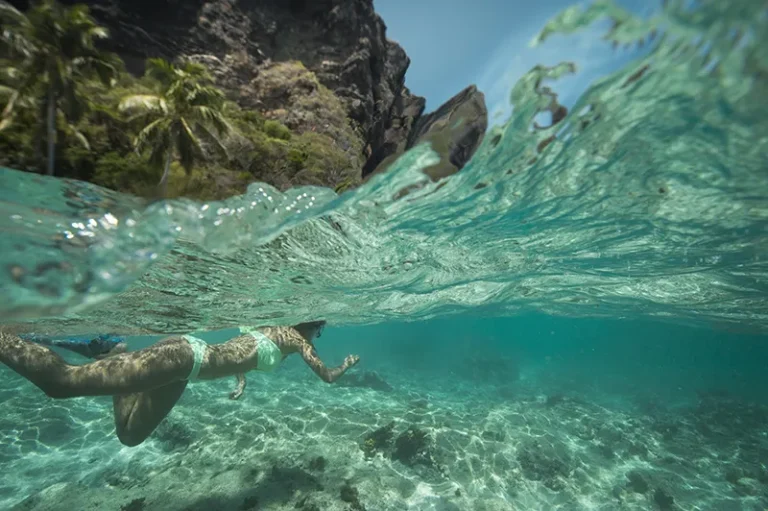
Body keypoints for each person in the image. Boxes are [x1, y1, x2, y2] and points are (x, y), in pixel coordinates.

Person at [0, 321, 359, 446]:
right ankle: (5, 337)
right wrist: (343, 364)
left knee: (129, 435)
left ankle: (112, 350)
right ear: (311, 325)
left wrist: (241, 379)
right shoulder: (298, 340)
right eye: (320, 330)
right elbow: (326, 377)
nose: (318, 336)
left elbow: (240, 352)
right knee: (62, 383)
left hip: (184, 361)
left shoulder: (271, 330)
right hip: (184, 360)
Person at [19, 332, 128, 360]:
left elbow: (100, 357)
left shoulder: (120, 344)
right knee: (58, 342)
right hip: (89, 347)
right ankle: (30, 337)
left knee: (57, 342)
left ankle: (30, 337)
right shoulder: (119, 341)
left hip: (90, 350)